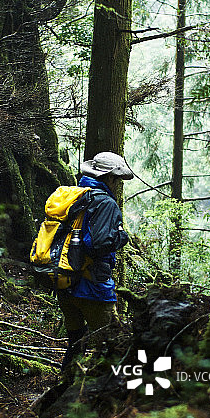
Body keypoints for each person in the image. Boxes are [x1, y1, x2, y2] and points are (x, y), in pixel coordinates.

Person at [58, 152, 133, 370]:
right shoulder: (105, 203)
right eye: (116, 179)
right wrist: (122, 236)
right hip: (91, 286)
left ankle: (64, 392)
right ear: (109, 178)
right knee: (114, 343)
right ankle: (112, 396)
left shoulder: (75, 195)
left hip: (64, 283)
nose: (117, 184)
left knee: (76, 342)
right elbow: (99, 244)